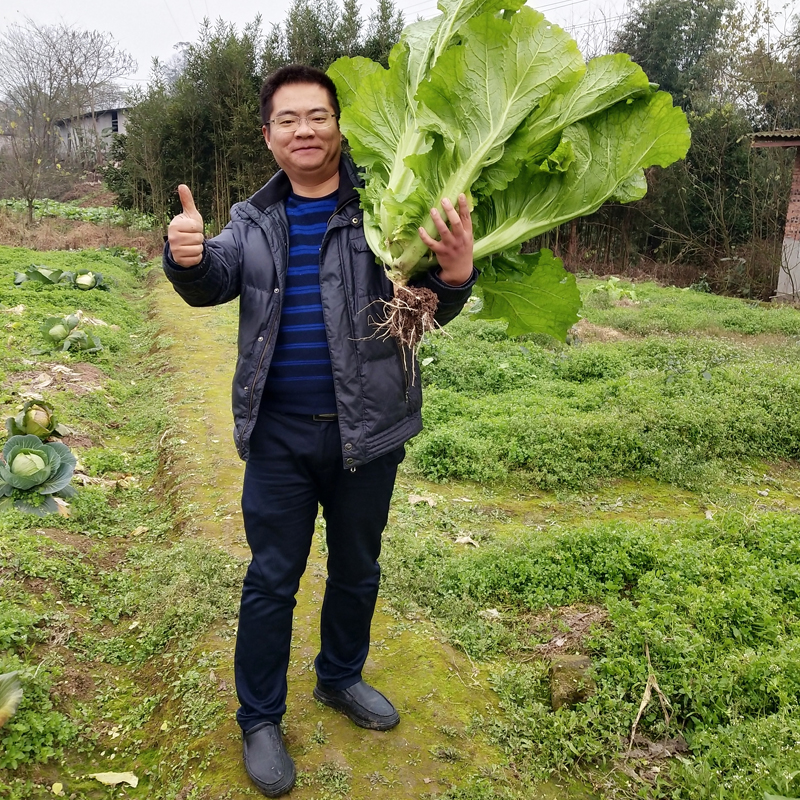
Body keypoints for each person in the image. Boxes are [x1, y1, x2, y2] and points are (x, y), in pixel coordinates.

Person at [163, 64, 477, 797]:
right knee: (272, 578)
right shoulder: (253, 221)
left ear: (340, 126)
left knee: (357, 569)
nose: (304, 130)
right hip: (278, 436)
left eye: (318, 116)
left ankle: (339, 677)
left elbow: (426, 307)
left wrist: (455, 277)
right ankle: (260, 717)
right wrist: (186, 257)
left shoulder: (386, 212)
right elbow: (215, 277)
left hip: (369, 432)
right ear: (267, 136)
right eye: (288, 120)